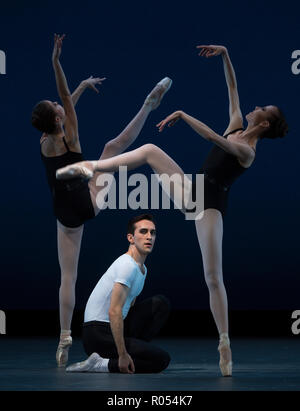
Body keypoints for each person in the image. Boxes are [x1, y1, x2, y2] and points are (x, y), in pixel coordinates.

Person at [56, 45, 288, 376]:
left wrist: (182, 114)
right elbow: (233, 88)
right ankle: (92, 167)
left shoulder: (247, 150)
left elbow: (211, 136)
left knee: (212, 276)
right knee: (150, 150)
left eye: (263, 108)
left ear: (265, 124)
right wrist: (225, 55)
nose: (255, 107)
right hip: (191, 189)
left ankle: (224, 343)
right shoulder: (237, 123)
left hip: (209, 206)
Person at [31, 33, 172, 367]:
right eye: (56, 107)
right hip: (87, 202)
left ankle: (65, 338)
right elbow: (65, 98)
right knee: (113, 147)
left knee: (68, 277)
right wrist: (56, 62)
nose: (60, 104)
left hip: (67, 213)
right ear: (57, 118)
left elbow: (64, 104)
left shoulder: (44, 141)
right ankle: (147, 106)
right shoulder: (72, 136)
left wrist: (78, 88)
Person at [66, 214, 171, 374]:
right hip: (97, 334)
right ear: (131, 238)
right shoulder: (126, 265)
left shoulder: (142, 270)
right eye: (143, 232)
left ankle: (128, 353)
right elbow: (114, 311)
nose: (149, 236)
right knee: (161, 360)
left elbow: (129, 307)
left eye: (153, 232)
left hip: (113, 327)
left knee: (160, 304)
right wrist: (122, 354)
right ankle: (103, 364)